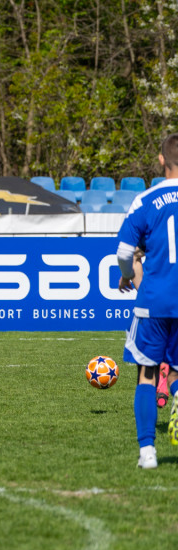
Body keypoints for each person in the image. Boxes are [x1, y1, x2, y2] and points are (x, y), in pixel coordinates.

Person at [117, 132, 178, 468]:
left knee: (148, 372)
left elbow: (124, 252)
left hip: (155, 299)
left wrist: (127, 272)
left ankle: (148, 453)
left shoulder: (146, 200)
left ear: (161, 161)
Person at [131, 247, 173, 408]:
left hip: (157, 298)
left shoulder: (154, 225)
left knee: (147, 370)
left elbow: (133, 254)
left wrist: (143, 293)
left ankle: (147, 434)